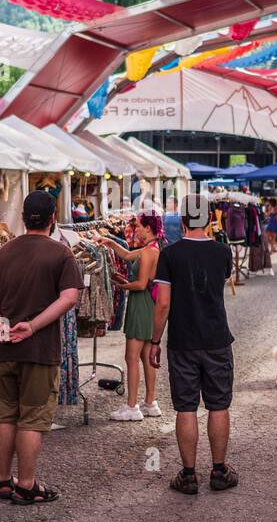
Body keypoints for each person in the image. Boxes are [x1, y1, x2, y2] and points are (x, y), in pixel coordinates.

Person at [0, 191, 81, 505]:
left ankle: (3, 479)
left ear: (23, 217)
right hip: (39, 347)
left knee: (5, 415)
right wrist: (34, 325)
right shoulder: (61, 253)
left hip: (5, 345)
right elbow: (70, 297)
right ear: (52, 218)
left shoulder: (5, 251)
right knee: (32, 418)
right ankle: (27, 484)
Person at [150, 193, 239, 495]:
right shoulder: (223, 252)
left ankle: (188, 475)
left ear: (184, 219)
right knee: (218, 405)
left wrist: (154, 340)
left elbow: (162, 304)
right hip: (216, 338)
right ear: (210, 219)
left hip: (182, 340)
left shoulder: (169, 254)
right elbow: (221, 283)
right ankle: (218, 470)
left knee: (186, 407)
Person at [100, 214, 162, 422]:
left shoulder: (148, 252)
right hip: (147, 305)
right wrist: (108, 242)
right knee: (145, 357)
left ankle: (132, 406)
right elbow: (126, 255)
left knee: (131, 357)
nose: (136, 231)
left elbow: (141, 284)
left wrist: (120, 285)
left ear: (148, 228)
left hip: (140, 303)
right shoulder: (153, 248)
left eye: (139, 228)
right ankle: (150, 402)